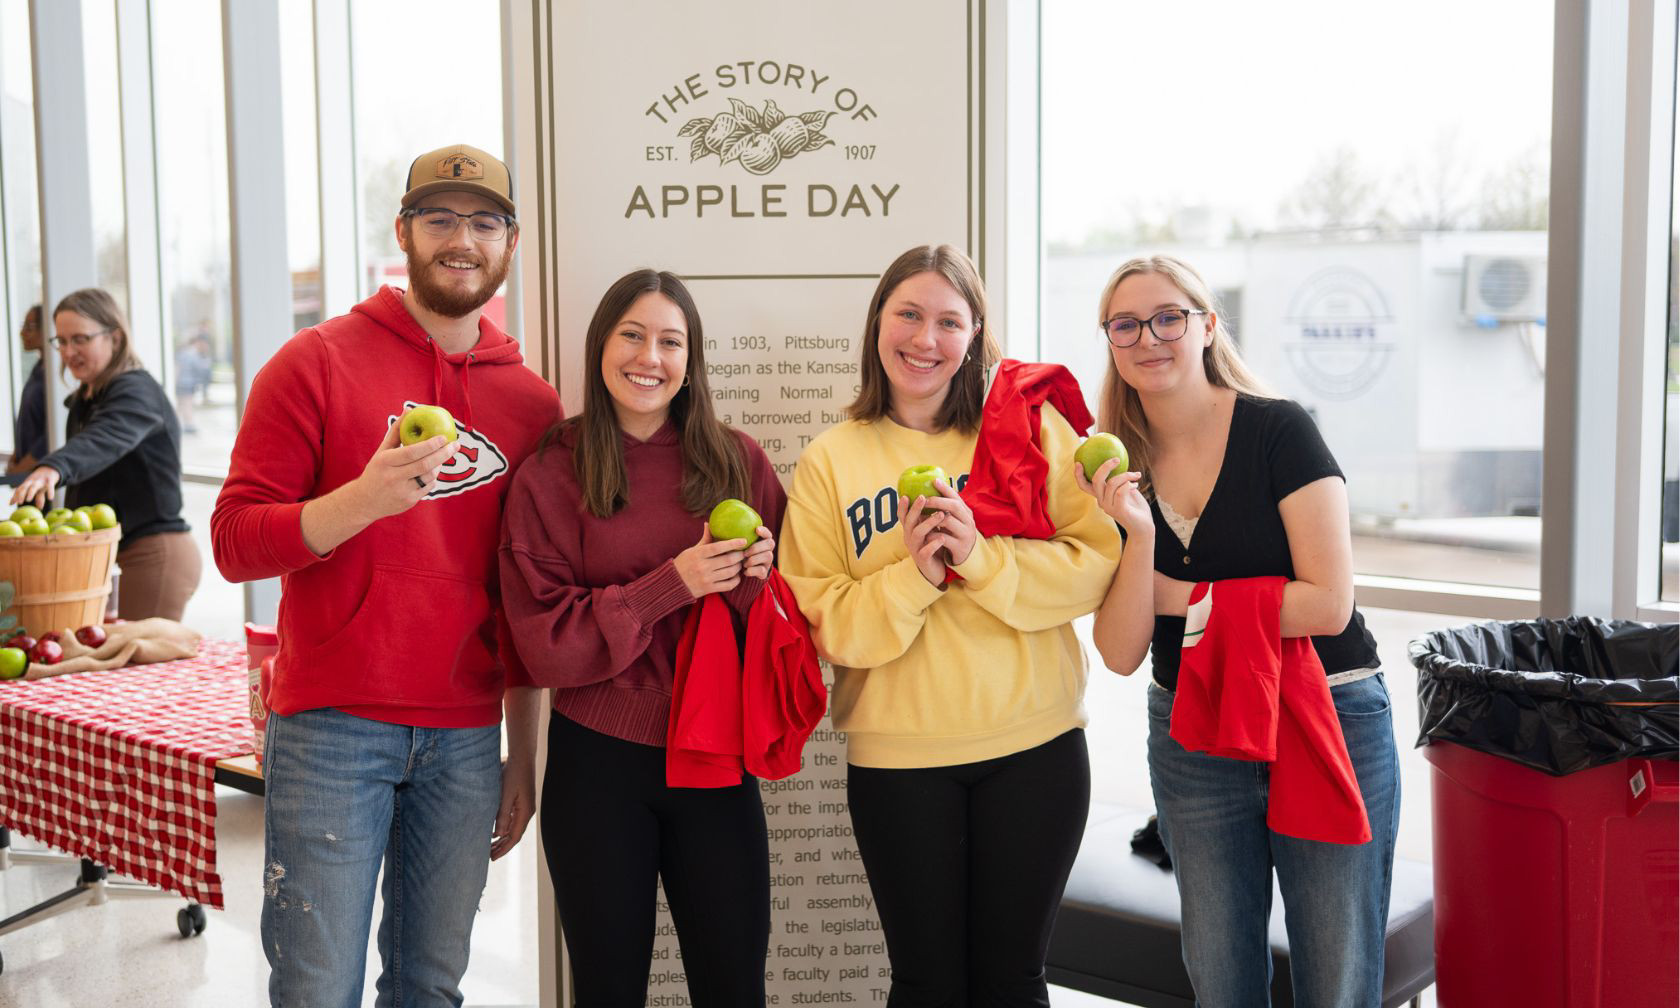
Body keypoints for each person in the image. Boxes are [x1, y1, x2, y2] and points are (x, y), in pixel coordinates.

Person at [210, 143, 560, 1006]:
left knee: (430, 987)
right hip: (333, 726)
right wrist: (360, 501)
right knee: (315, 987)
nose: (461, 239)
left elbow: (525, 597)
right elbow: (233, 542)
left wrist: (525, 747)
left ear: (511, 243)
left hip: (468, 737)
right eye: (439, 218)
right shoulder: (315, 362)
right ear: (403, 232)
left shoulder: (533, 405)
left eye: (483, 222)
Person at [778, 244, 1123, 1006]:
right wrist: (916, 577)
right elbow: (826, 623)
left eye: (947, 321)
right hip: (898, 762)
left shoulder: (1027, 428)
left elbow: (1096, 564)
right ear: (878, 325)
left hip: (1034, 749)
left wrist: (981, 558)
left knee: (1012, 984)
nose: (924, 339)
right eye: (908, 314)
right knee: (926, 986)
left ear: (974, 336)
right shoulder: (833, 459)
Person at [1080, 254, 1399, 1007]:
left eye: (1169, 317)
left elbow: (1328, 606)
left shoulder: (1279, 430)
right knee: (1220, 982)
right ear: (1110, 342)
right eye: (1126, 324)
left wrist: (1178, 595)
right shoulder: (1111, 468)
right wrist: (1134, 531)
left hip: (1326, 715)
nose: (1148, 337)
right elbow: (1121, 651)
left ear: (1206, 326)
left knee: (1337, 980)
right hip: (1194, 732)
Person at [499, 269, 783, 1006]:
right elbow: (545, 647)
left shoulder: (738, 461)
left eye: (670, 341)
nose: (649, 357)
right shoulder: (552, 472)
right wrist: (674, 582)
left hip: (716, 760)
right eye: (632, 334)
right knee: (607, 991)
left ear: (692, 360)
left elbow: (782, 633)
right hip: (597, 769)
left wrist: (758, 577)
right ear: (601, 345)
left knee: (733, 991)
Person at [10, 289, 200, 620]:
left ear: (114, 337)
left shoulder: (135, 390)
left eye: (80, 339)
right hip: (112, 554)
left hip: (154, 553)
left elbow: (103, 439)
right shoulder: (88, 396)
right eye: (61, 341)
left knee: (138, 668)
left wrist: (52, 468)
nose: (69, 352)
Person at [9, 304, 45, 476]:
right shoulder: (38, 369)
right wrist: (17, 456)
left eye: (29, 327)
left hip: (41, 474)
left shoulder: (53, 380)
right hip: (27, 473)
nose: (22, 333)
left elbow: (49, 437)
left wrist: (22, 467)